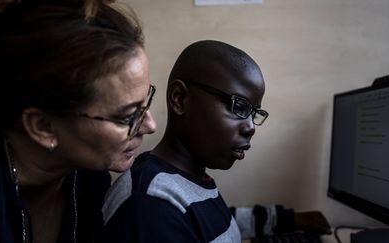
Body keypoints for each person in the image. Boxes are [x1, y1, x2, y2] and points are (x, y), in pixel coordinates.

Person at [0, 0, 156, 242]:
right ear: (44, 126)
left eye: (146, 103)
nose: (150, 125)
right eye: (128, 116)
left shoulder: (89, 177)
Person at [99, 40, 268, 243]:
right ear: (180, 99)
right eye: (239, 107)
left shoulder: (192, 181)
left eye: (254, 113)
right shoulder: (150, 203)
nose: (251, 127)